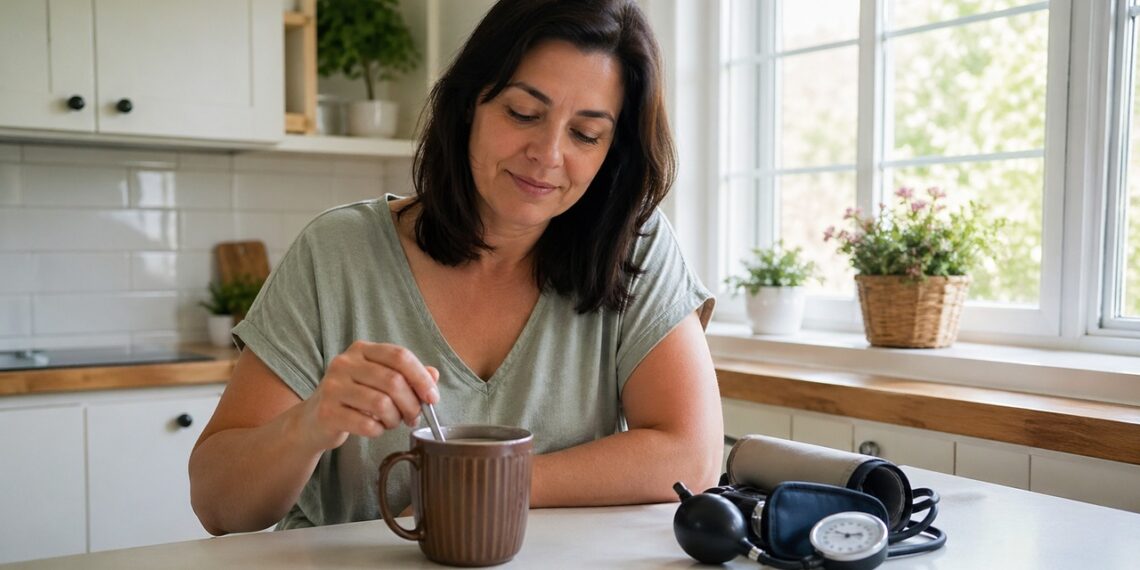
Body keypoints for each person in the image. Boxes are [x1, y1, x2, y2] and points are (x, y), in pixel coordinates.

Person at [189, 0, 722, 535]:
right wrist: (310, 424)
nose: (548, 153)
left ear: (614, 152)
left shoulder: (635, 246)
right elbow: (218, 505)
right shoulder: (337, 252)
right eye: (522, 113)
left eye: (585, 134)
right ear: (469, 105)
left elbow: (691, 459)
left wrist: (482, 485)